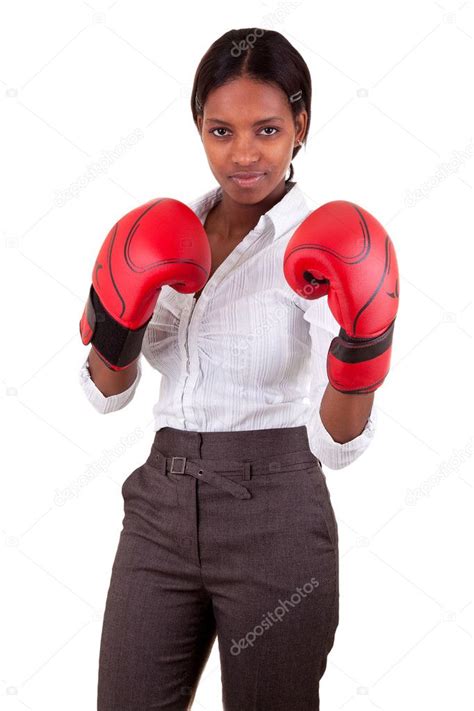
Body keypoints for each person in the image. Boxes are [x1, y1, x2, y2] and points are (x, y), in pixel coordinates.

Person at [79, 28, 393, 711]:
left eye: (268, 129)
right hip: (159, 505)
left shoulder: (323, 242)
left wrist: (363, 345)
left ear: (300, 126)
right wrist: (114, 314)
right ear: (199, 125)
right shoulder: (168, 230)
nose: (244, 153)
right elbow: (108, 393)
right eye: (222, 130)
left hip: (275, 511)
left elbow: (337, 445)